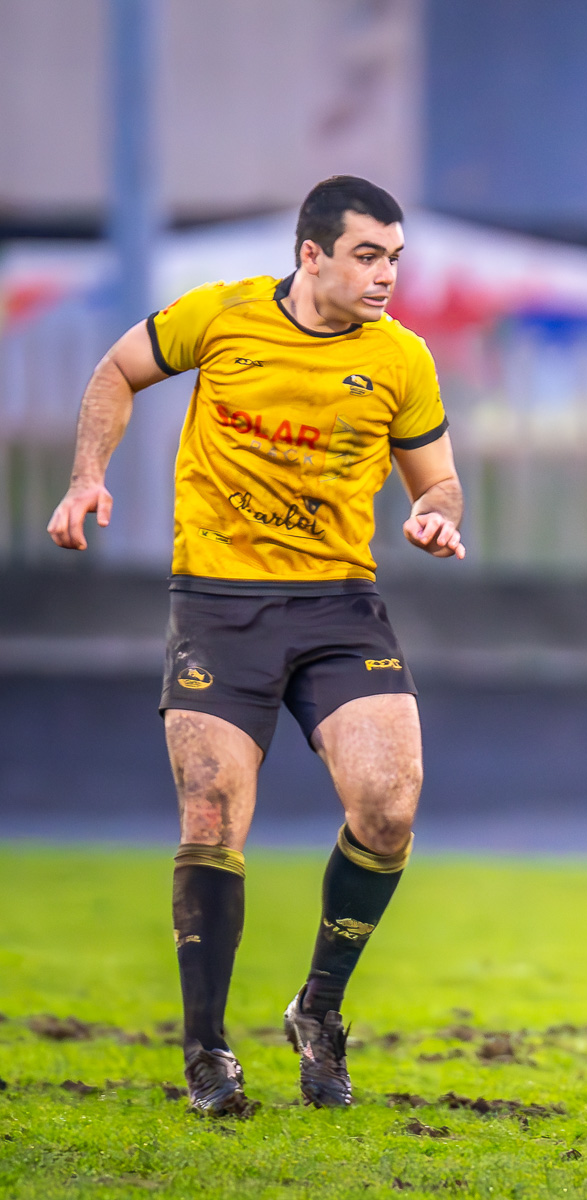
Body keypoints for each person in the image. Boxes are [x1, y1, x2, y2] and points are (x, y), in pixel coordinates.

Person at [46, 176, 465, 1116]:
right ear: (309, 254)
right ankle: (206, 1055)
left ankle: (319, 1008)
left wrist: (435, 516)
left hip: (339, 608)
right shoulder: (222, 317)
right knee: (210, 817)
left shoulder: (401, 358)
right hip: (218, 606)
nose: (386, 275)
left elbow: (439, 482)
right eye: (367, 255)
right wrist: (85, 479)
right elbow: (117, 370)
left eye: (395, 258)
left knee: (390, 808)